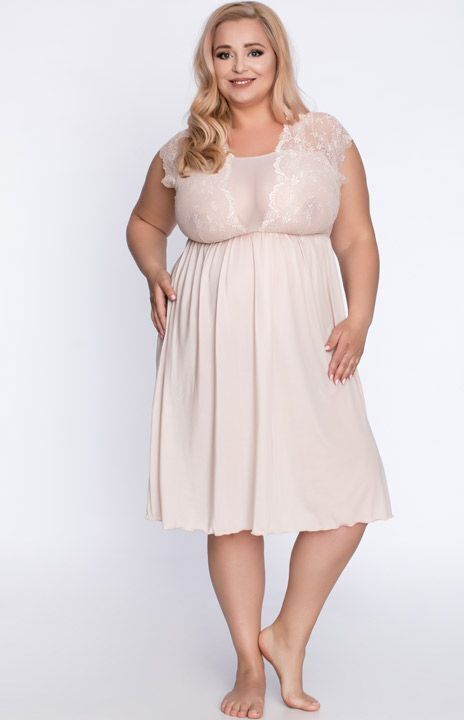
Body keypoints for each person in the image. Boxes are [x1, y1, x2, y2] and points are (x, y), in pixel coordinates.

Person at [126, 2, 393, 717]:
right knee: (232, 505)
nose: (239, 66)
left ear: (277, 58)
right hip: (211, 337)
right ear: (208, 64)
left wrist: (360, 317)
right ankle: (249, 662)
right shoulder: (185, 148)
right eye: (224, 54)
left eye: (253, 51)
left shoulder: (324, 138)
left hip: (307, 335)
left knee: (348, 489)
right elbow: (146, 222)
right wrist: (153, 270)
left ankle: (287, 634)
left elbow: (356, 237)